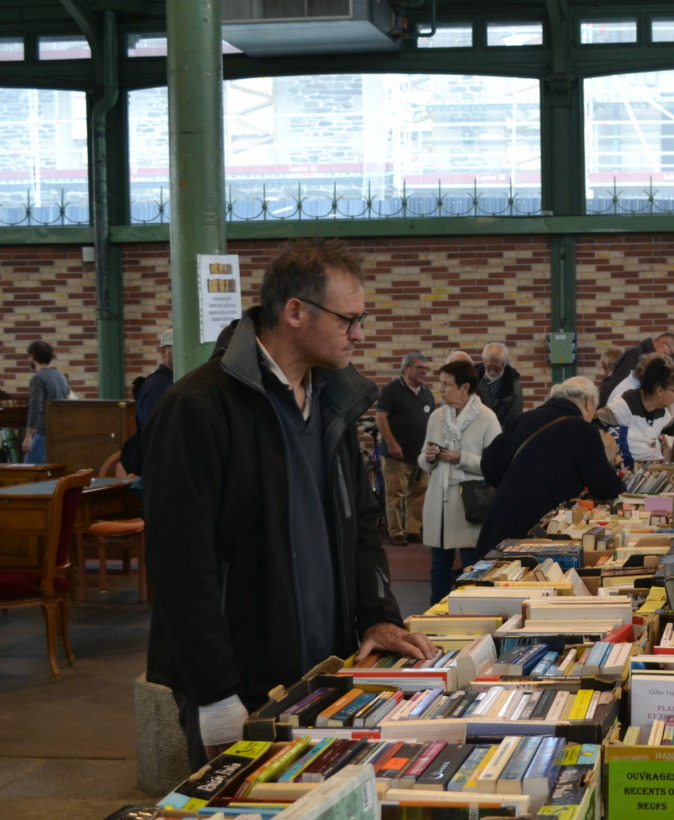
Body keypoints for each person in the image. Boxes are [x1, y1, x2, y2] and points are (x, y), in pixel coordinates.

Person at [143, 239, 435, 769]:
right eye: (349, 320)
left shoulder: (334, 403)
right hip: (242, 683)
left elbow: (362, 525)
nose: (360, 334)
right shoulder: (197, 408)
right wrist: (214, 693)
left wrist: (377, 616)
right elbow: (180, 563)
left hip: (325, 669)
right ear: (295, 312)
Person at [476, 377, 626, 556]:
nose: (592, 417)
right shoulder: (582, 430)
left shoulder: (521, 419)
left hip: (501, 520)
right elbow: (606, 487)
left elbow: (488, 464)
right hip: (540, 530)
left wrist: (515, 486)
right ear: (588, 403)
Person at [418, 360, 501, 603]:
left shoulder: (487, 418)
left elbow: (495, 465)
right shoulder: (437, 417)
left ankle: (472, 610)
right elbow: (422, 460)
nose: (441, 390)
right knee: (438, 567)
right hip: (439, 502)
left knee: (471, 566)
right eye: (440, 384)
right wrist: (430, 457)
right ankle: (436, 612)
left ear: (465, 387)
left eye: (446, 385)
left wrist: (461, 458)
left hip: (470, 504)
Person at [375, 352, 435, 545]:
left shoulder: (427, 393)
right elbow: (381, 418)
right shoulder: (392, 390)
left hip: (420, 456)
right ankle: (396, 532)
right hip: (396, 455)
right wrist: (392, 443)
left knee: (419, 494)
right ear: (406, 368)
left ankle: (413, 529)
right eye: (420, 368)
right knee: (396, 495)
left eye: (426, 369)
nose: (424, 372)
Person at [598, 331, 674, 406]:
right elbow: (620, 384)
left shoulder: (639, 354)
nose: (671, 359)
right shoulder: (635, 354)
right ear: (663, 343)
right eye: (672, 354)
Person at [22, 340, 69, 464]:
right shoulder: (60, 376)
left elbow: (36, 407)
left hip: (43, 432)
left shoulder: (38, 378)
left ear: (32, 356)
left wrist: (28, 437)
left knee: (28, 471)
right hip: (59, 431)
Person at [478, 342, 524, 430]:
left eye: (496, 367)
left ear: (504, 364)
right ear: (484, 362)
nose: (492, 371)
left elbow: (514, 421)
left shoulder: (513, 388)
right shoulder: (472, 381)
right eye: (489, 366)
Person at [135, 329, 175, 429]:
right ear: (163, 352)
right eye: (181, 348)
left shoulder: (168, 381)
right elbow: (159, 430)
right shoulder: (157, 386)